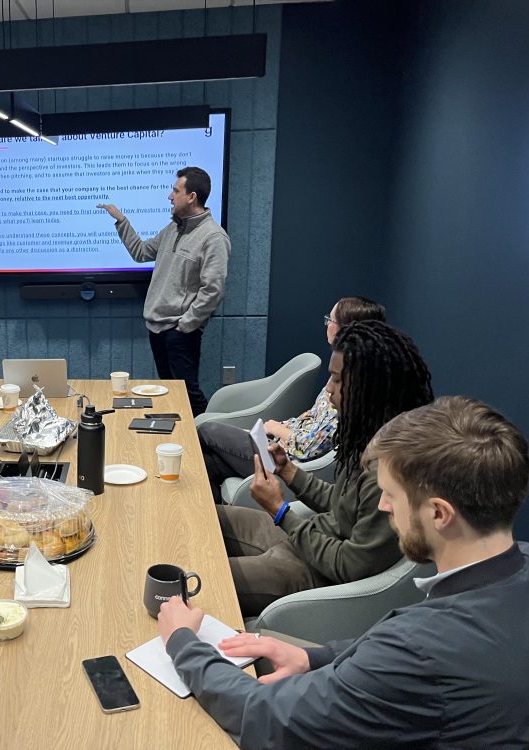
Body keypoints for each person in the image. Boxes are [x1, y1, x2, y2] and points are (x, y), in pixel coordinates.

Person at [158, 396, 529, 747]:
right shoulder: (513, 569)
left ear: (438, 513)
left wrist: (182, 643)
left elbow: (265, 718)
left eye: (391, 495)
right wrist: (314, 657)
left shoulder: (418, 649)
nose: (383, 507)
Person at [217, 320, 433, 616]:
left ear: (370, 387)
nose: (329, 389)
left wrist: (281, 512)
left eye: (337, 380)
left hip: (320, 574)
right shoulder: (367, 438)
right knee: (209, 517)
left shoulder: (389, 471)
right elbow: (343, 505)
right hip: (311, 539)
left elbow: (349, 565)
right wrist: (288, 471)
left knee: (202, 578)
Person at [199, 296, 386, 502]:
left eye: (330, 320)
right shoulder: (341, 371)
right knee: (208, 463)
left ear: (347, 328)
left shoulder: (354, 389)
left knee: (206, 429)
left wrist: (277, 429)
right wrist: (275, 429)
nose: (326, 325)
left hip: (289, 461)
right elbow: (310, 419)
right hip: (280, 443)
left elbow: (308, 447)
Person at [98, 166, 230, 415]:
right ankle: (181, 435)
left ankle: (206, 437)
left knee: (189, 395)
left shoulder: (213, 237)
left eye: (176, 190)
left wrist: (186, 325)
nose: (170, 196)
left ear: (192, 197)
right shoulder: (173, 229)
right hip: (157, 328)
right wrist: (121, 220)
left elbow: (213, 289)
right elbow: (141, 252)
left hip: (180, 332)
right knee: (170, 393)